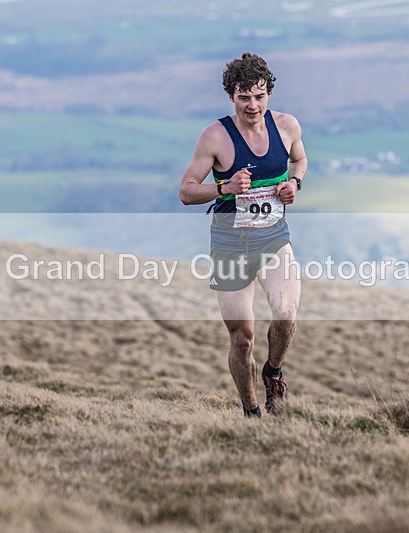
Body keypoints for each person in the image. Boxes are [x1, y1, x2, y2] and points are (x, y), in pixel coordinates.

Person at [179, 52, 307, 418]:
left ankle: (274, 371)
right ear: (231, 97)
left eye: (259, 95)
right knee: (242, 338)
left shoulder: (287, 127)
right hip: (230, 243)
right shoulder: (215, 137)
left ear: (269, 93)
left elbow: (300, 159)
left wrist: (294, 183)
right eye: (244, 97)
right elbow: (186, 191)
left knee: (285, 314)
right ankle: (251, 412)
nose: (253, 105)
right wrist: (225, 188)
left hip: (273, 237)